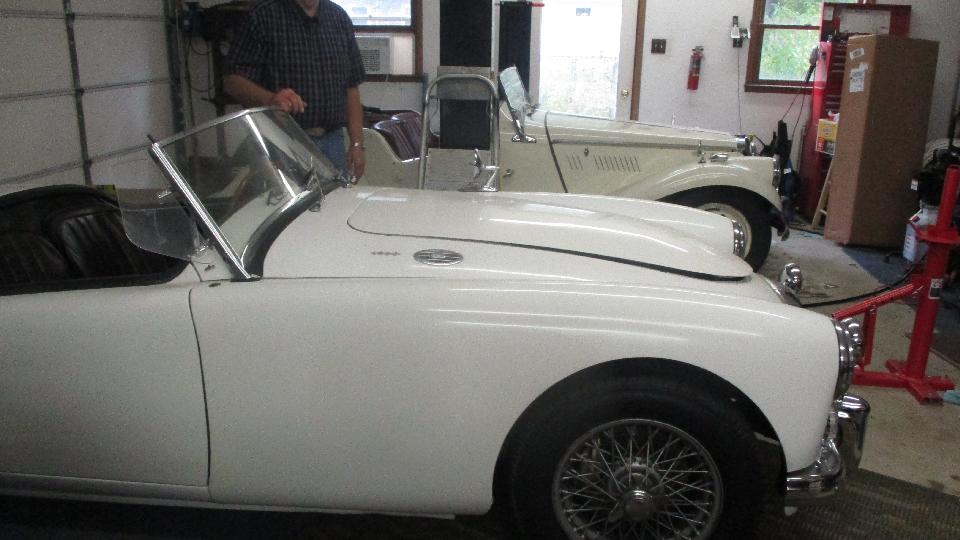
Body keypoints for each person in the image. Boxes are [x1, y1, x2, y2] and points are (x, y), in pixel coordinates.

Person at [224, 0, 366, 179]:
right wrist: (271, 99)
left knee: (337, 196)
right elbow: (232, 81)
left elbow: (351, 88)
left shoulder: (339, 18)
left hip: (332, 142)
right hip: (283, 142)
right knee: (291, 197)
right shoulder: (262, 17)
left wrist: (357, 144)